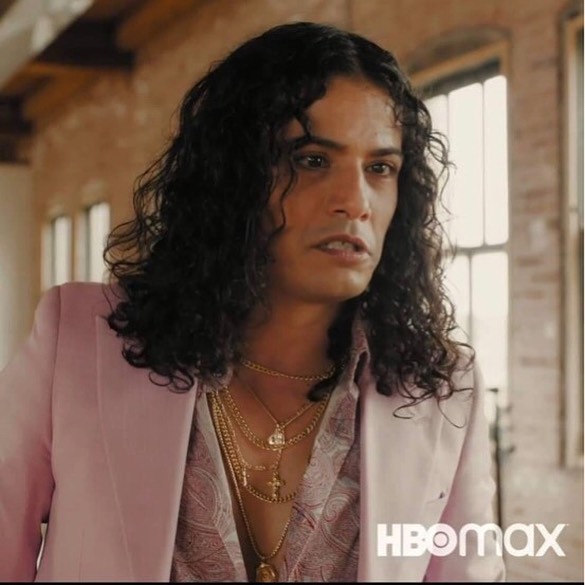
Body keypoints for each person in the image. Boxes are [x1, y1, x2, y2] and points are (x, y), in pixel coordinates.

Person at [0, 21, 505, 583]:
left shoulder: (442, 390)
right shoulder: (78, 342)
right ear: (232, 174)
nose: (355, 201)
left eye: (380, 168)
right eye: (312, 160)